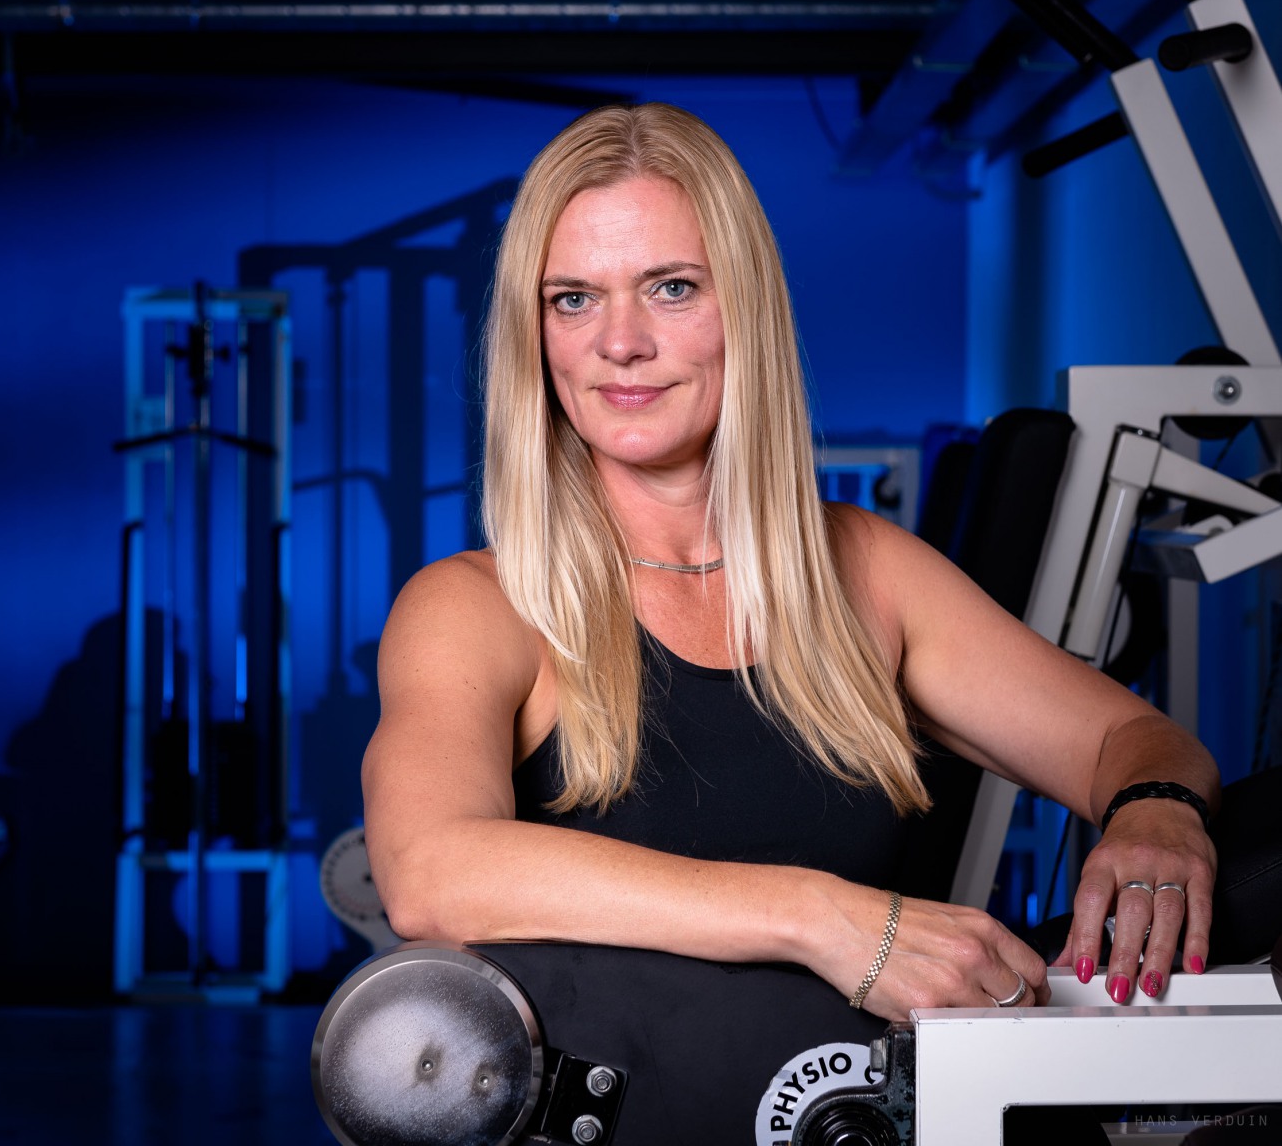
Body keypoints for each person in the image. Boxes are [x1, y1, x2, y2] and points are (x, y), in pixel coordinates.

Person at [360, 102, 1220, 1023]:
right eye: (572, 298)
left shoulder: (867, 572)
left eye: (671, 288)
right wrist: (820, 919)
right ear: (535, 337)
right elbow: (428, 872)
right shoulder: (475, 607)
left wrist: (1154, 812)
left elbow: (1129, 741)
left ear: (745, 306)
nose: (620, 343)